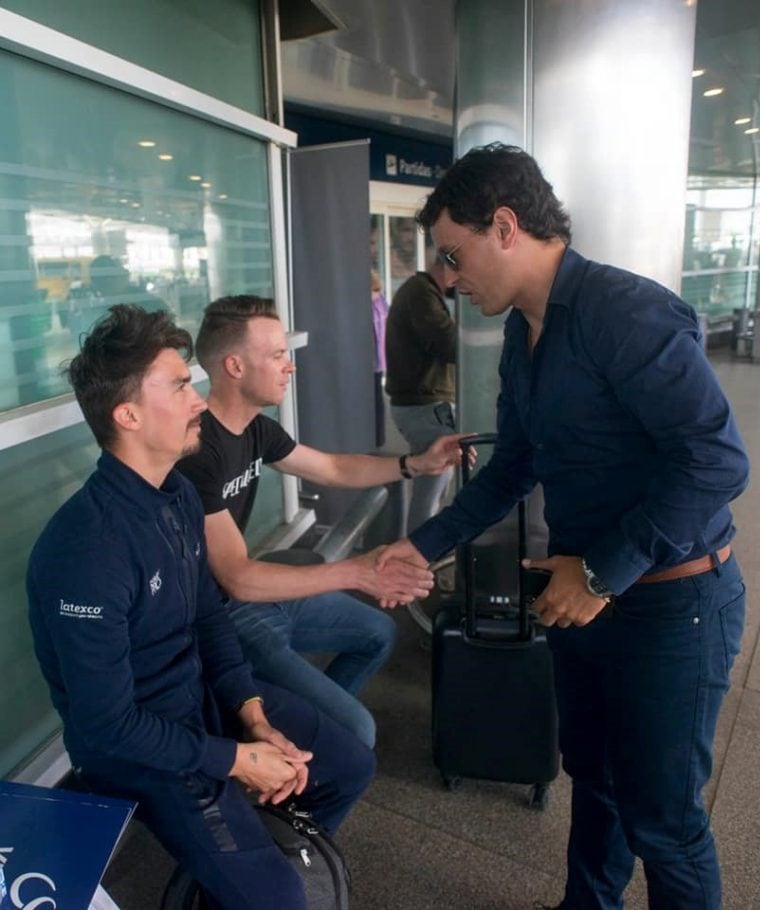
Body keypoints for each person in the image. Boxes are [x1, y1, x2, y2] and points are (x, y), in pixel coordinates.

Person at [378, 143, 749, 910]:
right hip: (584, 600)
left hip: (670, 605)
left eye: (454, 253)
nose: (448, 276)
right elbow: (514, 467)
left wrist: (605, 570)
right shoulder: (524, 333)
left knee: (666, 821)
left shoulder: (625, 312)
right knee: (596, 779)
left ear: (505, 226)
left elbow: (717, 460)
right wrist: (419, 546)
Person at [26, 305, 375, 910]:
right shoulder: (85, 548)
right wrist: (238, 759)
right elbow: (109, 725)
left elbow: (208, 620)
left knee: (348, 763)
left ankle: (235, 875)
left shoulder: (179, 494)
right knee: (282, 899)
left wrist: (254, 715)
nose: (197, 400)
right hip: (134, 747)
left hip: (198, 703)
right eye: (182, 384)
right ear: (128, 414)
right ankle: (251, 879)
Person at [176, 295, 466, 749]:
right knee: (358, 731)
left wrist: (417, 464)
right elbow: (238, 579)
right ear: (234, 366)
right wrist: (359, 572)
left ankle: (304, 738)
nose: (289, 366)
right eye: (276, 356)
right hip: (216, 614)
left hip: (250, 595)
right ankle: (299, 750)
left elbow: (333, 469)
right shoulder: (197, 452)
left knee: (377, 632)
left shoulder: (256, 429)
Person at [385, 257, 457, 533]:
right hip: (425, 407)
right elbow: (449, 344)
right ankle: (418, 565)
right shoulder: (420, 292)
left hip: (421, 405)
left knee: (432, 494)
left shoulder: (420, 291)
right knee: (430, 496)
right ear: (447, 267)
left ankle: (418, 562)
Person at [371, 268, 388, 447]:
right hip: (379, 361)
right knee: (377, 404)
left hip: (373, 362)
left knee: (374, 403)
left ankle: (376, 441)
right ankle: (378, 441)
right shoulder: (382, 303)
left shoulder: (375, 304)